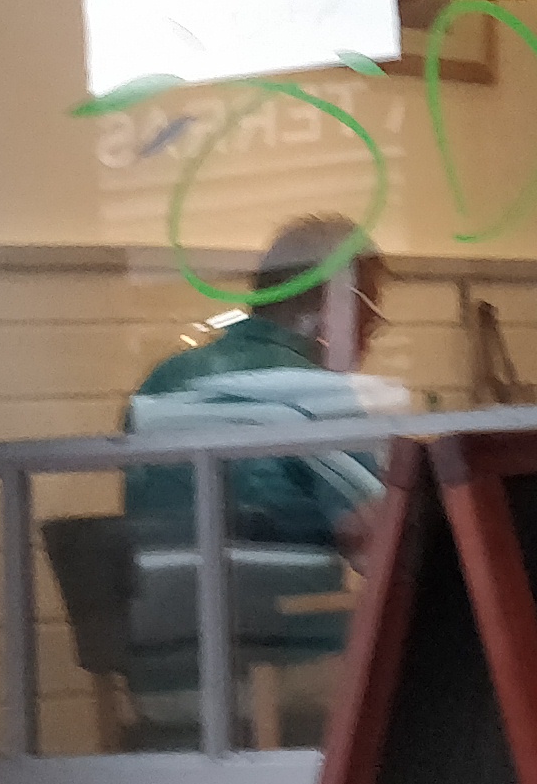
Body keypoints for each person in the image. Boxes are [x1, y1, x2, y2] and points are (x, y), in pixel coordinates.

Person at [125, 214, 398, 549]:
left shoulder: (162, 381)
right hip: (283, 583)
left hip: (164, 582)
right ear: (338, 306)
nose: (368, 340)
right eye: (369, 319)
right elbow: (377, 539)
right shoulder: (322, 398)